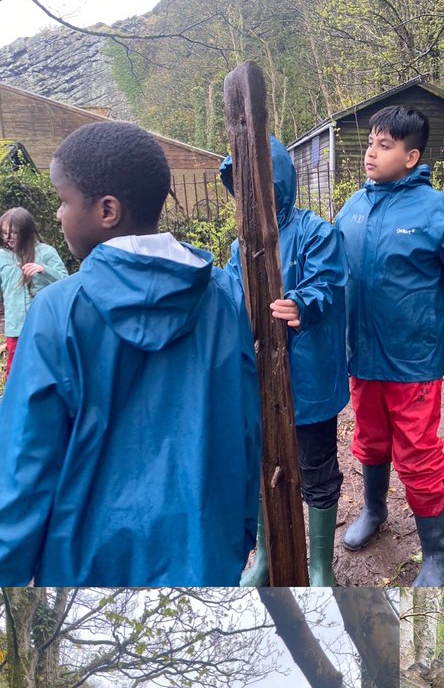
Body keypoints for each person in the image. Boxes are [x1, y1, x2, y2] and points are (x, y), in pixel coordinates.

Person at [0, 121, 260, 587]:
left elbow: (23, 470)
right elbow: (246, 429)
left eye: (63, 199)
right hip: (203, 553)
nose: (57, 214)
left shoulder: (57, 313)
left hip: (85, 569)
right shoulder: (225, 298)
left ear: (107, 210)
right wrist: (238, 535)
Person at [334, 105, 444, 585]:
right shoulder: (353, 207)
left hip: (412, 362)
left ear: (411, 156)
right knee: (369, 439)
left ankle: (438, 554)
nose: (371, 152)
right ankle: (375, 510)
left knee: (418, 452)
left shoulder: (434, 209)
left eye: (385, 146)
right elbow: (330, 272)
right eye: (370, 143)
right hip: (361, 357)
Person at [221, 136, 349, 587]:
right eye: (241, 189)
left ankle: (320, 567)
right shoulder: (241, 246)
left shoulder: (317, 232)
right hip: (261, 381)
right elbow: (233, 295)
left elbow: (329, 283)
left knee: (316, 465)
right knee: (264, 464)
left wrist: (301, 304)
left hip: (309, 380)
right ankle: (267, 557)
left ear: (278, 183)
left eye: (257, 187)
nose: (251, 199)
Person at [0, 206, 68, 376]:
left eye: (12, 233)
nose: (7, 238)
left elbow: (66, 282)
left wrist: (43, 269)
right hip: (15, 326)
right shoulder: (2, 256)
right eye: (4, 232)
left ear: (26, 231)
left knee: (45, 371)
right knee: (15, 374)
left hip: (44, 325)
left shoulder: (46, 253)